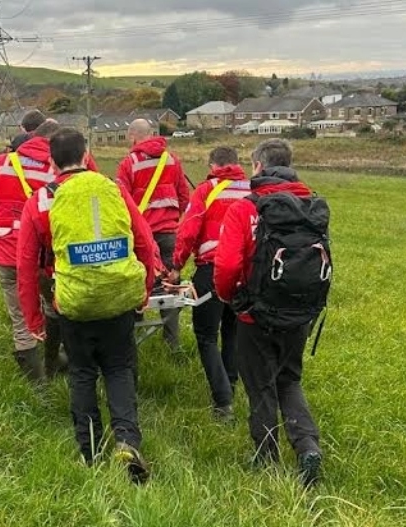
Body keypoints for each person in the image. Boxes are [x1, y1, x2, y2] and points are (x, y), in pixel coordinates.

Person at [16, 127, 156, 483]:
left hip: (73, 303)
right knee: (120, 369)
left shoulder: (41, 201)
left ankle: (90, 451)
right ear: (87, 154)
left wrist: (34, 317)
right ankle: (126, 441)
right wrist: (143, 292)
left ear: (51, 161)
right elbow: (144, 242)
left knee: (81, 373)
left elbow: (27, 266)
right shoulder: (113, 189)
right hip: (119, 298)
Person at [213, 138, 324, 486]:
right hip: (301, 310)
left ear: (258, 166)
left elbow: (228, 265)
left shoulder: (246, 208)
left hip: (255, 314)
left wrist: (231, 298)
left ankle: (266, 458)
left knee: (259, 385)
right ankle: (307, 446)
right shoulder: (311, 206)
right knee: (289, 380)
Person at [0, 119, 86, 382]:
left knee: (20, 320)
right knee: (55, 307)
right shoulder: (60, 168)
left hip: (7, 252)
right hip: (48, 255)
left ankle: (38, 387)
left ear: (31, 136)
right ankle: (54, 364)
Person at [168, 147, 249, 421]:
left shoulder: (206, 190)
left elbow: (188, 230)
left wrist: (176, 266)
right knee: (233, 332)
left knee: (206, 335)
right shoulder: (252, 190)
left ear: (212, 165)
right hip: (245, 273)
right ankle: (231, 386)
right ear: (238, 164)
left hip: (211, 270)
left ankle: (223, 401)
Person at [116, 118, 190, 351]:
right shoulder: (172, 161)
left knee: (137, 285)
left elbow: (121, 202)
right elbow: (184, 196)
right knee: (170, 285)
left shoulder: (129, 163)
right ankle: (172, 343)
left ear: (132, 136)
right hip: (169, 234)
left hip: (141, 239)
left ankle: (135, 337)